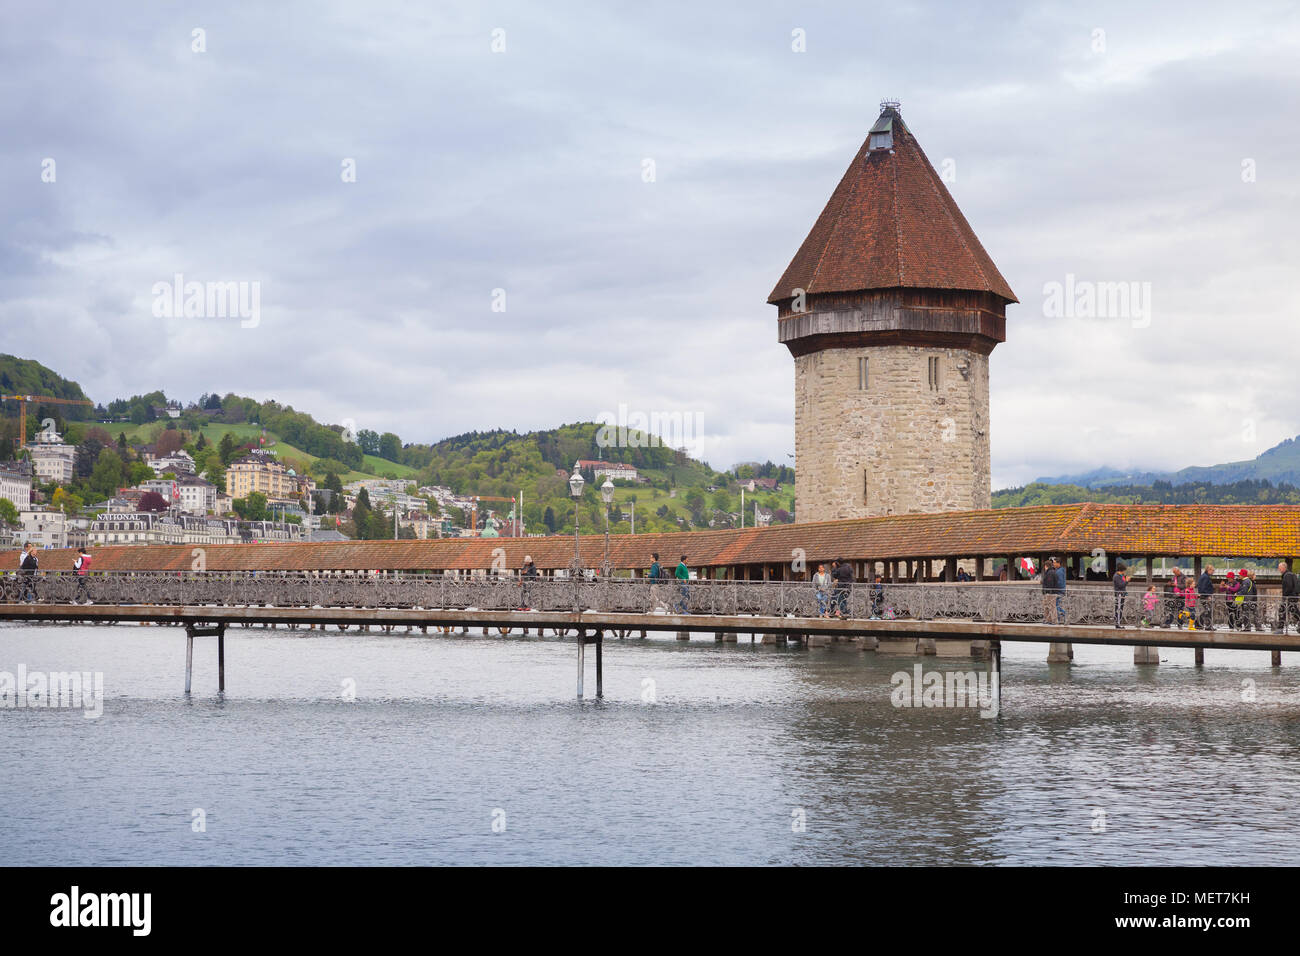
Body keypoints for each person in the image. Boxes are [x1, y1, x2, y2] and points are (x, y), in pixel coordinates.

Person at [1238, 567, 1261, 632]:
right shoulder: (1250, 582)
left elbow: (1244, 591)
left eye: (1239, 574)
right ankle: (1257, 627)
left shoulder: (1246, 582)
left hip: (1248, 600)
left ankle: (1248, 627)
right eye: (1255, 575)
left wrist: (1238, 593)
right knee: (1254, 614)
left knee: (1247, 614)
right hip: (1252, 600)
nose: (1239, 575)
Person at [1279, 561, 1298, 633]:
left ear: (1283, 568)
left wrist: (1285, 595)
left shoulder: (1287, 575)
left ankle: (1280, 628)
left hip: (1289, 598)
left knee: (1282, 611)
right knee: (1294, 612)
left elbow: (1289, 587)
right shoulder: (1289, 574)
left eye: (1279, 568)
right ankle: (1280, 628)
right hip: (1292, 597)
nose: (1279, 569)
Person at [1196, 564, 1215, 630]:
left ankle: (1204, 625)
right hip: (1204, 597)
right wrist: (1207, 596)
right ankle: (1201, 624)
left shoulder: (1205, 576)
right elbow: (1203, 588)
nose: (1213, 572)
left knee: (1207, 611)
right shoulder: (1205, 577)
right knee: (1208, 611)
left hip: (1204, 596)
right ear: (1208, 570)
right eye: (1212, 570)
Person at [1112, 562, 1129, 628]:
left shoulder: (1120, 576)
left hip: (1122, 594)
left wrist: (1126, 580)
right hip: (1119, 594)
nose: (1124, 572)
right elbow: (1120, 585)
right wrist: (1127, 581)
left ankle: (1118, 623)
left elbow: (1122, 584)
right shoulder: (1116, 576)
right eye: (1124, 570)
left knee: (1120, 609)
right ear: (1121, 570)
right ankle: (1117, 624)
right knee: (1118, 609)